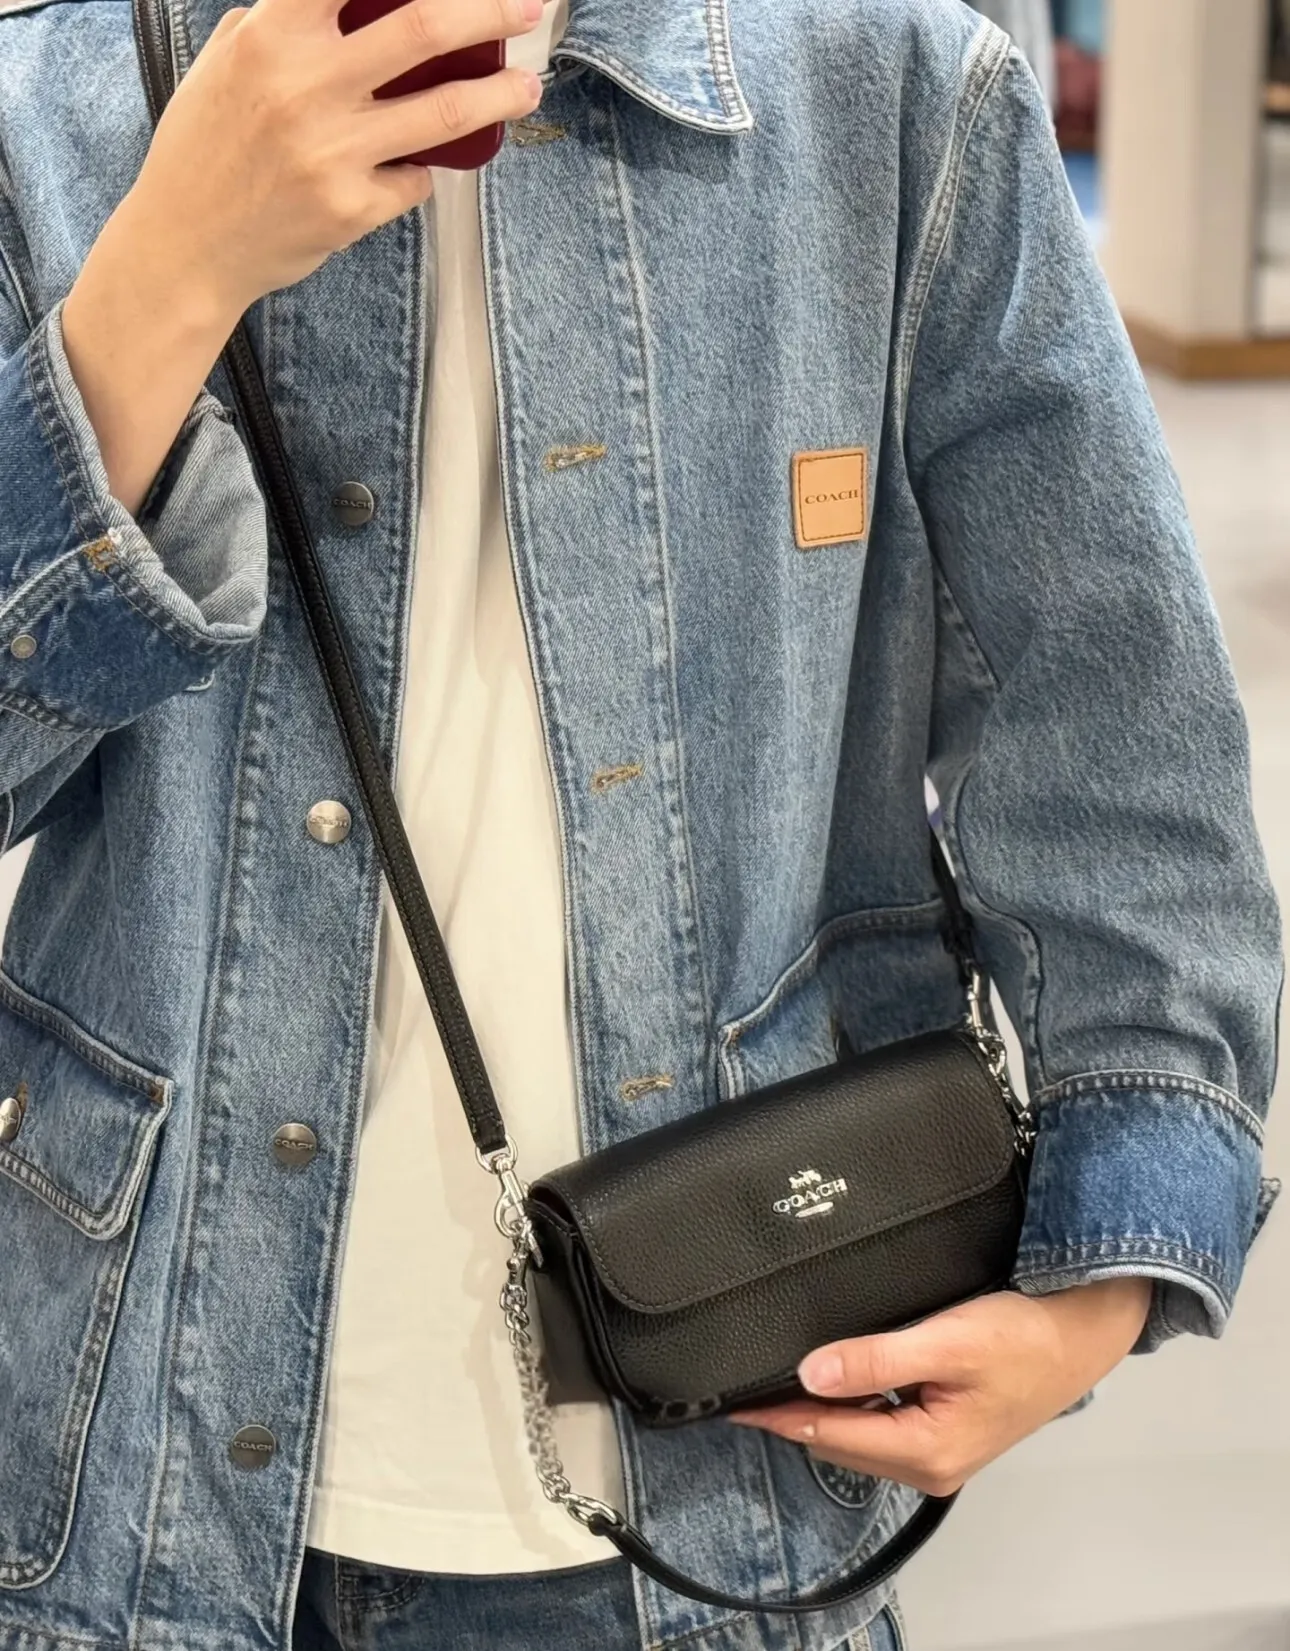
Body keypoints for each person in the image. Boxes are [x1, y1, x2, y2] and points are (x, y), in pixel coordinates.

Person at [0, 0, 1281, 1648]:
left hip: (729, 1448)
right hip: (130, 1468)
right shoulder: (55, 111)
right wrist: (166, 276)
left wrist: (1108, 1270)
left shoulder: (883, 87)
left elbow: (1109, 723)